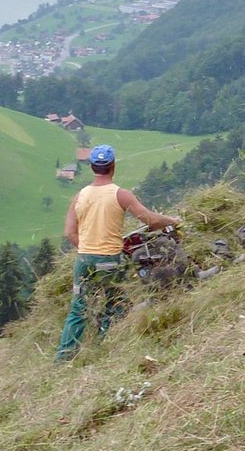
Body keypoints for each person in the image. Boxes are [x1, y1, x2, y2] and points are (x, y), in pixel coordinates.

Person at [55, 144, 180, 362]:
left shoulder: (79, 196)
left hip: (83, 260)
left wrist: (87, 251)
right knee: (116, 303)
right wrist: (172, 221)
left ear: (93, 167)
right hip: (110, 261)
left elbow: (69, 232)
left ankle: (64, 358)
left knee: (78, 309)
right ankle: (107, 349)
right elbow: (150, 220)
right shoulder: (121, 195)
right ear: (112, 166)